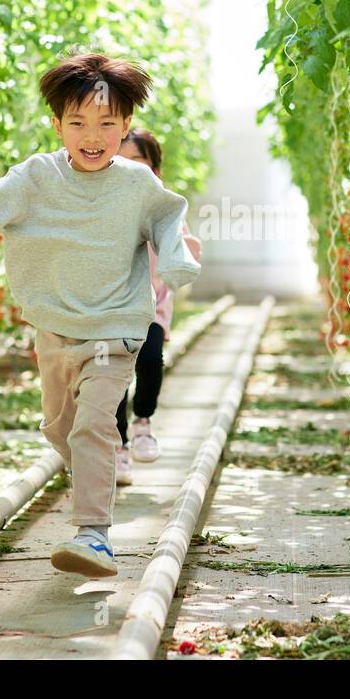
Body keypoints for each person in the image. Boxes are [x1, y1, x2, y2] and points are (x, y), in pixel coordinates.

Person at [0, 54, 201, 578]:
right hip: (54, 327)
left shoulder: (137, 184)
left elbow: (169, 220)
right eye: (78, 123)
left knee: (93, 425)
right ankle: (92, 476)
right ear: (57, 124)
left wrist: (179, 260)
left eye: (108, 124)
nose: (93, 136)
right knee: (60, 428)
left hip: (116, 328)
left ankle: (94, 536)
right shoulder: (35, 178)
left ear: (127, 126)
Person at [112, 129, 203, 485]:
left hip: (152, 302)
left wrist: (186, 248)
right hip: (111, 306)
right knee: (114, 376)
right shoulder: (104, 200)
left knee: (149, 362)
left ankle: (143, 422)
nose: (130, 168)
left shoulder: (164, 204)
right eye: (123, 160)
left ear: (155, 169)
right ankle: (118, 447)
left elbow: (183, 246)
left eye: (139, 162)